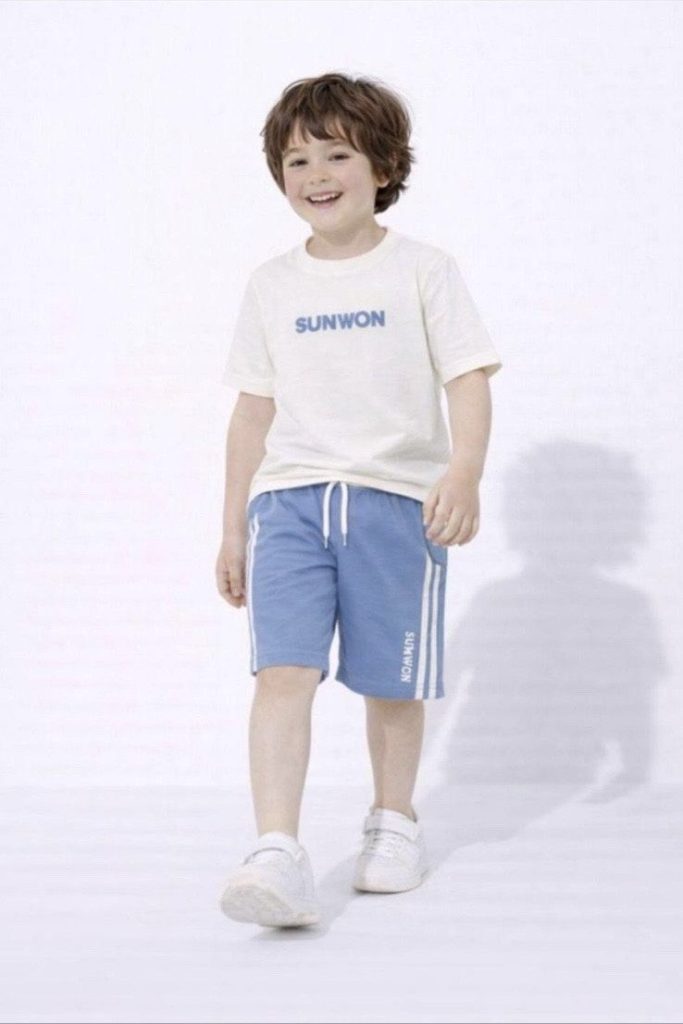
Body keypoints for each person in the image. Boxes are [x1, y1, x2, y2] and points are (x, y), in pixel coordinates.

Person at [215, 71, 503, 928]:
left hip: (394, 506)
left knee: (391, 683)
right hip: (289, 505)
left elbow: (467, 378)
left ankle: (392, 821)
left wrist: (463, 472)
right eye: (296, 159)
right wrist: (232, 527)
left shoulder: (423, 270)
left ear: (382, 164)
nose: (315, 174)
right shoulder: (271, 284)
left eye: (335, 154)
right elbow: (251, 410)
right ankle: (276, 848)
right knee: (282, 672)